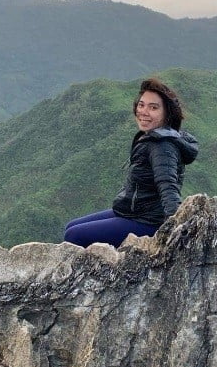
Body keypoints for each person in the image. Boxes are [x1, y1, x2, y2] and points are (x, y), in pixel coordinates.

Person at [64, 78, 198, 248]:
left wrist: (175, 229)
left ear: (167, 113)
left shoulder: (162, 146)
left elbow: (168, 186)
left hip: (148, 221)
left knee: (74, 235)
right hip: (132, 212)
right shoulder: (152, 137)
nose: (144, 111)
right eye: (141, 105)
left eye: (153, 107)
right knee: (70, 227)